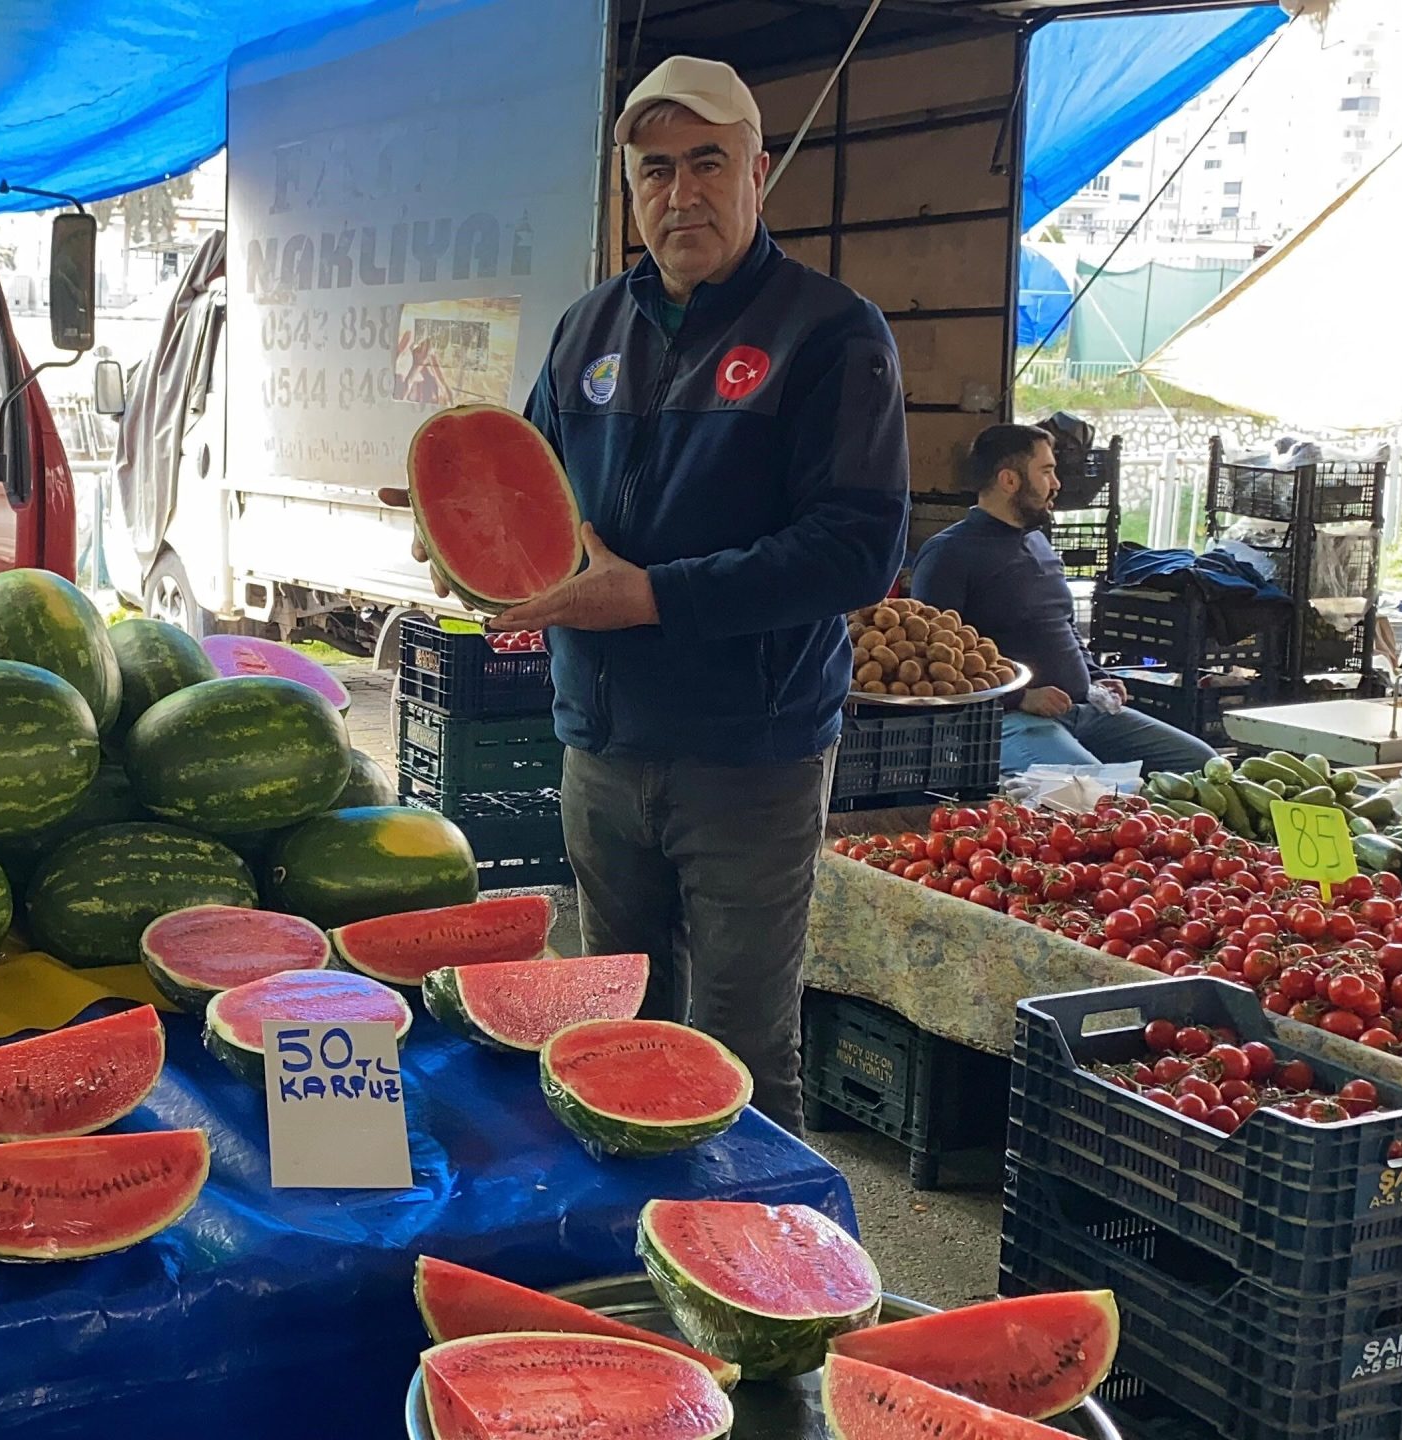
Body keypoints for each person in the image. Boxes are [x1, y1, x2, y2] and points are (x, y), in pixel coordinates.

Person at [387, 56, 910, 1133]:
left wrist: (653, 597)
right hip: (600, 744)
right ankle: (640, 1232)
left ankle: (764, 1238)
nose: (681, 194)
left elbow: (857, 551)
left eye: (707, 163)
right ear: (630, 189)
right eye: (655, 171)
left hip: (749, 756)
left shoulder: (830, 332)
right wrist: (462, 539)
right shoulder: (587, 329)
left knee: (741, 1048)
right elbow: (527, 502)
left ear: (758, 171)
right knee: (617, 1034)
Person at [909, 424, 1217, 774]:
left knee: (1203, 765)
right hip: (1005, 721)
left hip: (1083, 710)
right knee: (1097, 792)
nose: (1056, 483)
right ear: (1009, 480)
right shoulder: (948, 554)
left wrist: (1095, 676)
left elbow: (1063, 624)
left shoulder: (1038, 541)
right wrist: (1020, 697)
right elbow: (931, 661)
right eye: (1046, 471)